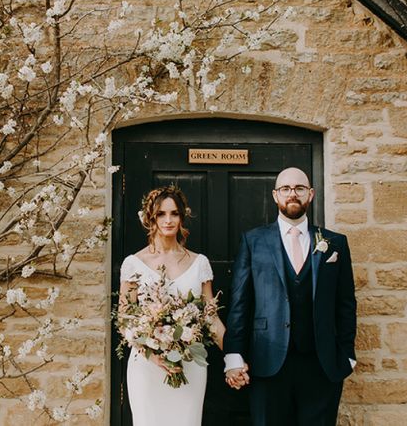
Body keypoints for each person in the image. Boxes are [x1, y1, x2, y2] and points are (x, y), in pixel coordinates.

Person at [224, 167, 357, 425]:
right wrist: (234, 354)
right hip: (267, 361)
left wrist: (347, 353)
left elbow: (346, 303)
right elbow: (240, 303)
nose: (292, 194)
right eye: (285, 189)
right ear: (275, 196)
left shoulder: (334, 242)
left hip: (322, 364)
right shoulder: (254, 241)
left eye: (299, 188)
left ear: (311, 194)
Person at [119, 185, 225, 425]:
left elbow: (210, 318)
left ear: (182, 217)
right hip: (147, 366)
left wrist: (234, 355)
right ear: (150, 218)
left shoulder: (199, 263)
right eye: (161, 214)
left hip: (188, 365)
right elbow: (125, 319)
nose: (168, 220)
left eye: (174, 213)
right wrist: (152, 354)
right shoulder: (133, 264)